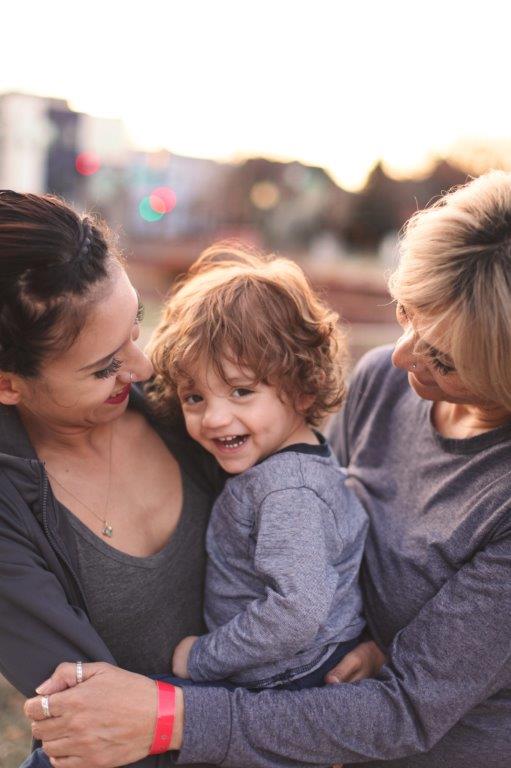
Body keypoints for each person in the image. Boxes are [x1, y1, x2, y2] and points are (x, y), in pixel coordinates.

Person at [26, 170, 511, 768]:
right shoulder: (389, 382)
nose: (401, 354)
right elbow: (344, 536)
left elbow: (406, 710)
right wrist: (374, 643)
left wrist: (176, 705)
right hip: (318, 712)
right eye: (408, 314)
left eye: (443, 357)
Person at [0, 191, 378, 768]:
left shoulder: (189, 413)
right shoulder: (10, 512)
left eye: (136, 326)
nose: (146, 367)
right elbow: (86, 718)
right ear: (8, 385)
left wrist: (363, 637)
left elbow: (326, 539)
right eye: (105, 366)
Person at [146, 246, 368, 689]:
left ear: (304, 388)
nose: (213, 418)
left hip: (289, 674)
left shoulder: (289, 492)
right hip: (286, 664)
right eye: (195, 397)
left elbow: (297, 612)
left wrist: (204, 658)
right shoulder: (286, 467)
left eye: (241, 391)